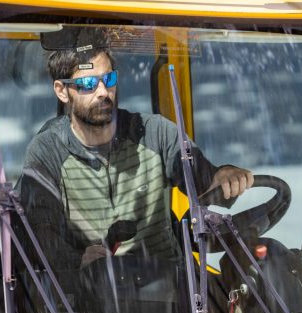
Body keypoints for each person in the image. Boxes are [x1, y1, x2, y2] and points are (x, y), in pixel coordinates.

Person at [17, 28, 253, 269]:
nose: (102, 92)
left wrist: (223, 174)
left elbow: (203, 179)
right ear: (62, 91)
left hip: (170, 288)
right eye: (88, 84)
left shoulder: (155, 133)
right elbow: (39, 234)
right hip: (91, 296)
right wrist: (76, 261)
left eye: (108, 80)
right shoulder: (48, 151)